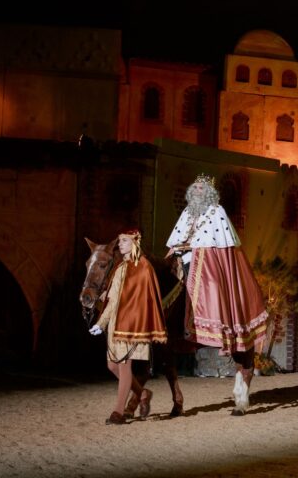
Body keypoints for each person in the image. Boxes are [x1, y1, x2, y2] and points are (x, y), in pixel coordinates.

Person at [165, 173, 267, 415]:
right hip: (183, 258)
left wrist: (196, 250)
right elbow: (176, 238)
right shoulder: (187, 213)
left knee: (210, 285)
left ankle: (215, 324)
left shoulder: (217, 212)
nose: (198, 191)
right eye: (195, 187)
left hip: (208, 262)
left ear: (209, 193)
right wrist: (175, 252)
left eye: (202, 188)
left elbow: (220, 245)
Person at [89, 229, 168, 425]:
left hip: (131, 325)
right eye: (121, 241)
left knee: (124, 367)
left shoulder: (143, 267)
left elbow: (145, 298)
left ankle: (118, 412)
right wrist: (102, 323)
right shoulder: (121, 267)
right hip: (115, 323)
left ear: (135, 243)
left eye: (124, 241)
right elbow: (113, 299)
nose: (120, 244)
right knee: (112, 366)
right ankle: (142, 394)